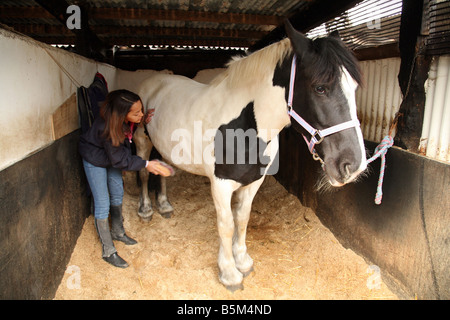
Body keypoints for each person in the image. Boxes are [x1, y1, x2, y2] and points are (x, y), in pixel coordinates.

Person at [79, 89, 165, 268]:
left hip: (111, 156)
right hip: (95, 160)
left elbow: (119, 156)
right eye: (136, 113)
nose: (141, 115)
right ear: (122, 113)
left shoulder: (123, 120)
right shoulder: (109, 129)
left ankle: (118, 232)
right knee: (103, 203)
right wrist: (146, 164)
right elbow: (120, 160)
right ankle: (108, 250)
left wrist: (142, 118)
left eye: (141, 110)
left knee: (117, 192)